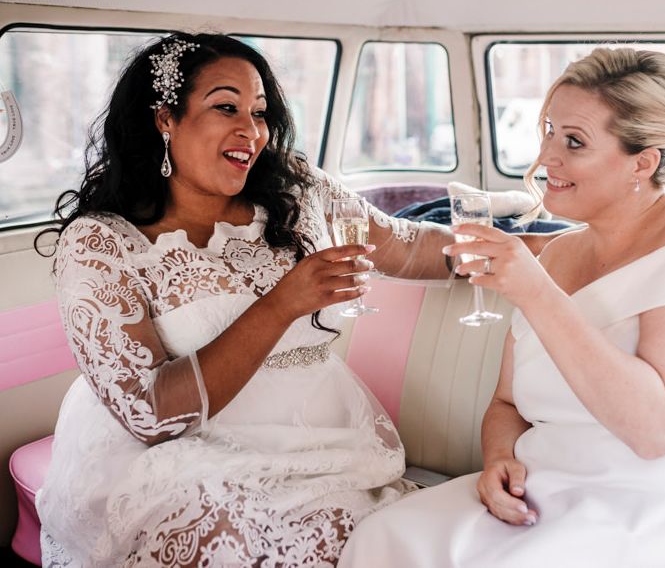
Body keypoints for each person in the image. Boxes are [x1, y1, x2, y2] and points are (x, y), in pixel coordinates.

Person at [35, 32, 465, 567]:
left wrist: (531, 252)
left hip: (326, 444)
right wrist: (281, 303)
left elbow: (409, 247)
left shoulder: (297, 190)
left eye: (259, 112)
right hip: (183, 458)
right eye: (225, 107)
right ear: (165, 118)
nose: (252, 131)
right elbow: (151, 416)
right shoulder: (102, 244)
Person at [339, 47, 665, 568]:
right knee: (385, 536)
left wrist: (537, 293)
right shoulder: (562, 251)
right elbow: (506, 405)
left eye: (574, 142)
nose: (546, 158)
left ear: (644, 161)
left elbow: (655, 430)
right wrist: (499, 459)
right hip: (543, 489)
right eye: (549, 130)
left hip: (649, 502)